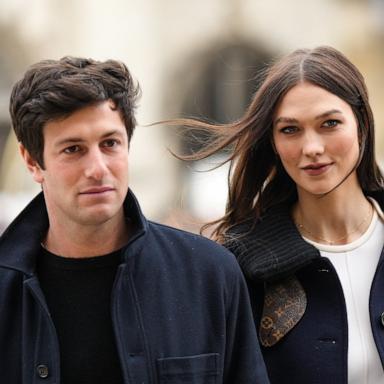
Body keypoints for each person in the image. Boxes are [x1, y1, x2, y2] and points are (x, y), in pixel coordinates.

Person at [0, 57, 269, 384]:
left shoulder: (211, 275)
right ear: (32, 161)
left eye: (110, 144)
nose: (98, 168)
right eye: (73, 149)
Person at [187, 46, 384, 383]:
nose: (312, 148)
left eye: (330, 123)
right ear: (273, 143)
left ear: (362, 125)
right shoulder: (240, 264)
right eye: (290, 130)